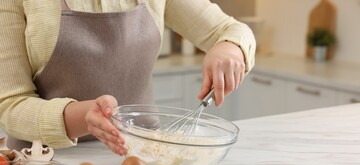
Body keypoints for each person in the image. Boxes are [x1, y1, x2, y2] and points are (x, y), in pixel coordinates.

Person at [0, 0, 256, 155]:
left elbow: (231, 30)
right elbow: (10, 104)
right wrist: (82, 117)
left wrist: (229, 47)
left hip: (142, 160)